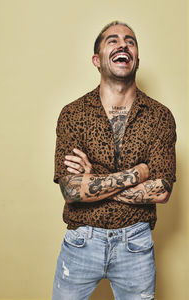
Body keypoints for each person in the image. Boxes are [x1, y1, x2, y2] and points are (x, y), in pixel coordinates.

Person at [51, 21, 176, 300]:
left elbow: (162, 190)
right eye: (113, 40)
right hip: (81, 241)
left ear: (136, 59)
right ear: (97, 60)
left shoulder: (160, 117)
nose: (123, 45)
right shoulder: (73, 114)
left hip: (136, 245)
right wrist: (140, 172)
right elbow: (71, 190)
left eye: (130, 41)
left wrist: (93, 182)